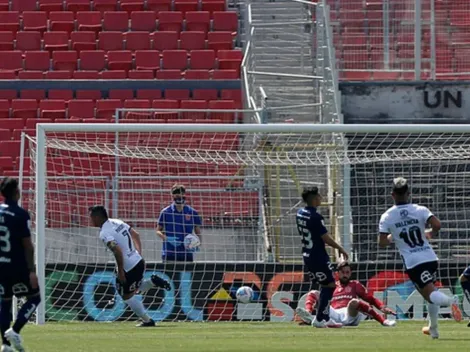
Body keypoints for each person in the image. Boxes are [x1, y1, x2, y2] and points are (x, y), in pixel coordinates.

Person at [378, 177, 462, 339]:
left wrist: (392, 237)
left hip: (414, 262)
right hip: (430, 257)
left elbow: (382, 242)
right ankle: (434, 329)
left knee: (430, 294)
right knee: (429, 294)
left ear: (392, 194)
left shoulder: (387, 216)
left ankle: (451, 301)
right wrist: (430, 233)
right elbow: (437, 224)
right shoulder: (420, 209)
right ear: (408, 193)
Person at [89, 205, 170, 327]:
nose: (90, 220)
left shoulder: (104, 233)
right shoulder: (117, 221)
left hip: (128, 267)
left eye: (91, 217)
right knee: (134, 289)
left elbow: (117, 251)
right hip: (138, 260)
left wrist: (121, 271)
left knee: (126, 296)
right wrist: (138, 254)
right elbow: (136, 234)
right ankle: (152, 282)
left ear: (97, 217)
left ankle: (148, 321)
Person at [296, 186, 349, 328]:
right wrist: (340, 248)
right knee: (330, 284)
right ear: (314, 199)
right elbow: (325, 238)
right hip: (318, 256)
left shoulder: (300, 213)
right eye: (319, 196)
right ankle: (320, 319)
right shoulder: (316, 217)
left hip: (307, 254)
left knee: (325, 284)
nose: (321, 198)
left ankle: (324, 317)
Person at [0, 178, 41, 352]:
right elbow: (28, 245)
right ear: (17, 192)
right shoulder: (21, 214)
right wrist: (31, 270)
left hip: (0, 267)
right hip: (17, 266)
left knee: (5, 303)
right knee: (35, 297)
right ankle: (15, 331)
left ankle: (6, 345)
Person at [295, 261, 396, 327]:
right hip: (334, 314)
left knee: (354, 302)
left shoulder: (355, 284)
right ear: (337, 273)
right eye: (343, 272)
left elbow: (371, 299)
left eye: (347, 272)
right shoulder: (332, 285)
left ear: (350, 273)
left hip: (349, 314)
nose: (345, 275)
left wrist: (382, 307)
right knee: (314, 293)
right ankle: (308, 314)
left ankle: (384, 321)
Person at [156, 184, 202, 262]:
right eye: (177, 196)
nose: (179, 198)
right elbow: (158, 231)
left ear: (184, 195)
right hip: (169, 253)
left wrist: (198, 243)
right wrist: (167, 238)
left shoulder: (192, 212)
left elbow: (198, 231)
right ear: (172, 196)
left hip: (187, 253)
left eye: (181, 195)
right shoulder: (165, 212)